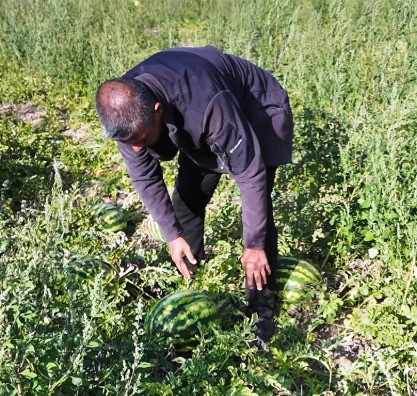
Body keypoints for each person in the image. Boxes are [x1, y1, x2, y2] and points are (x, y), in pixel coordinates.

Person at [95, 46, 294, 341]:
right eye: (129, 142)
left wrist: (253, 245)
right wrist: (173, 236)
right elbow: (145, 178)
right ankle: (189, 273)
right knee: (188, 196)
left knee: (258, 212)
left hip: (256, 109)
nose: (136, 149)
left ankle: (261, 311)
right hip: (194, 108)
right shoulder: (127, 112)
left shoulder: (207, 108)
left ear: (157, 111)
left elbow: (252, 177)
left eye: (141, 139)